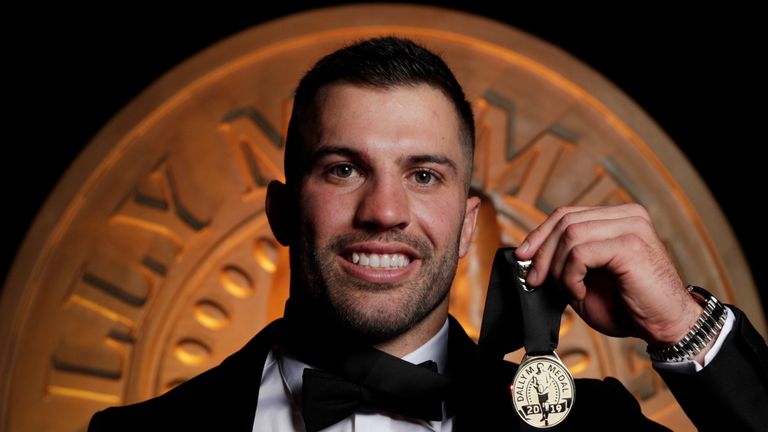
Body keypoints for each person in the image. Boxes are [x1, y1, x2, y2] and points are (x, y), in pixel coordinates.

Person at [88, 37, 768, 431]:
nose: (384, 211)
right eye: (345, 168)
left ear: (469, 224)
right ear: (281, 211)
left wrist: (682, 324)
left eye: (424, 176)